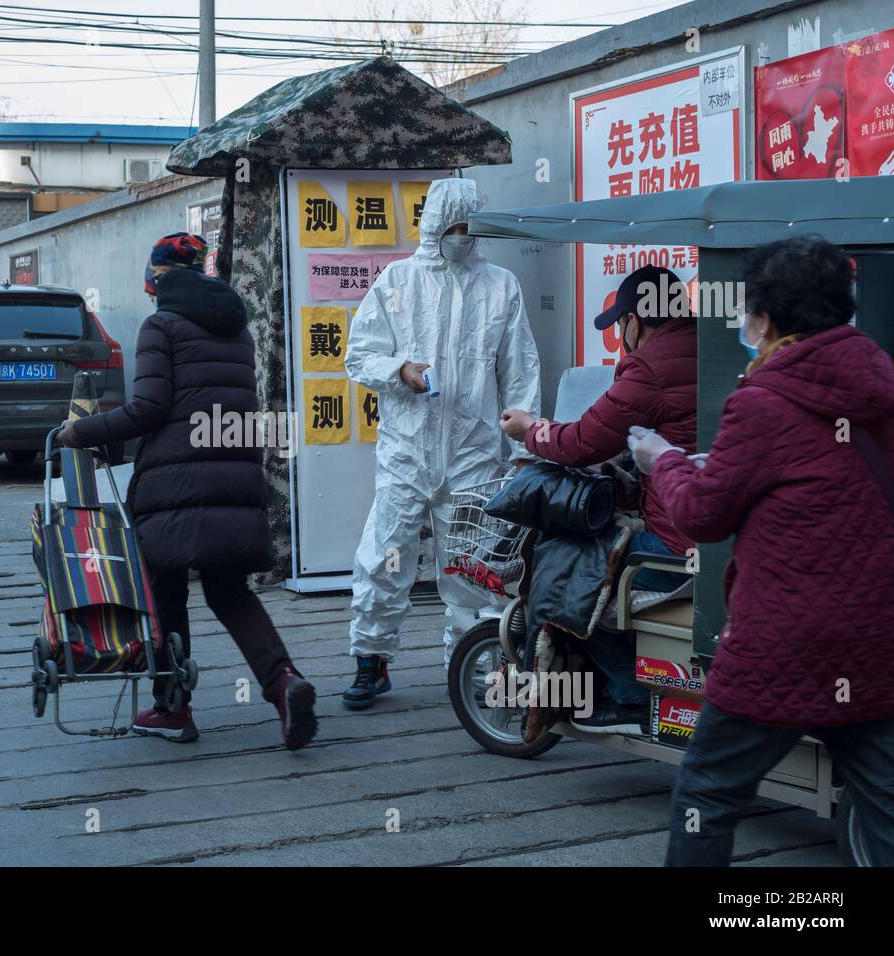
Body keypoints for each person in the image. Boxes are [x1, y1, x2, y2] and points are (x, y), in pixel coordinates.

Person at [627, 237, 894, 866]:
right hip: (874, 634)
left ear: (767, 319)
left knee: (708, 792)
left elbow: (702, 515)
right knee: (884, 800)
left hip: (783, 640)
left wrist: (663, 460)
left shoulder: (763, 401)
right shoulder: (881, 386)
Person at [58, 233, 317, 751]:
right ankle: (283, 682)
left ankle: (173, 708)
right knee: (230, 590)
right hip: (233, 475)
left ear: (157, 277)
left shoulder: (162, 325)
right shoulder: (236, 328)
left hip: (176, 482)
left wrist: (79, 432)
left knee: (165, 587)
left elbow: (149, 409)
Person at [342, 177, 541, 709]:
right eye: (452, 228)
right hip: (407, 449)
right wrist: (398, 369)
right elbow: (359, 354)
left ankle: (471, 664)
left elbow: (518, 365)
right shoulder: (397, 281)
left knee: (471, 563)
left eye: (468, 228)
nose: (461, 237)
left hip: (474, 450)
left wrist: (522, 439)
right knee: (384, 554)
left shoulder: (501, 284)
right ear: (433, 226)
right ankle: (372, 661)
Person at [500, 264, 696, 734]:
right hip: (711, 524)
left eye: (621, 325)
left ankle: (627, 694)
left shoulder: (652, 365)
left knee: (568, 577)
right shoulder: (706, 345)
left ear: (634, 322)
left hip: (680, 539)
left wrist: (530, 430)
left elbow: (583, 442)